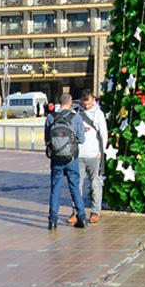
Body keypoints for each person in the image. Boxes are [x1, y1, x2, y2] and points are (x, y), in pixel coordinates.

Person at [45, 93, 87, 231]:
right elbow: (81, 139)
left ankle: (52, 220)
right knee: (74, 187)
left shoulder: (51, 117)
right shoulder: (76, 118)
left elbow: (47, 139)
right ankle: (82, 217)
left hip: (56, 158)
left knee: (55, 188)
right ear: (70, 103)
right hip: (72, 158)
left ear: (59, 102)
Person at [68, 89, 108, 225]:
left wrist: (100, 153)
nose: (87, 107)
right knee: (76, 185)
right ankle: (76, 211)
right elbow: (70, 130)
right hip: (78, 155)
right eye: (85, 105)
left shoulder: (99, 114)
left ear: (94, 101)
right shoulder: (75, 113)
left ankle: (95, 212)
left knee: (95, 184)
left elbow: (104, 134)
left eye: (89, 104)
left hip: (93, 155)